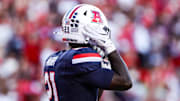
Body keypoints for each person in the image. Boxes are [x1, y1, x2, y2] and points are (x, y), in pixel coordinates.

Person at [43, 4, 132, 101]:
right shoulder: (81, 58)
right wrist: (109, 47)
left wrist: (102, 63)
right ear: (91, 31)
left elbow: (94, 95)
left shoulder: (53, 58)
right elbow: (125, 82)